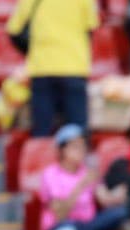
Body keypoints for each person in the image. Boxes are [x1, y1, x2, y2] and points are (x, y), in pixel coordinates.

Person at [5, 0, 97, 137]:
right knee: (78, 134)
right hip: (74, 67)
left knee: (42, 133)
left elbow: (13, 31)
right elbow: (90, 28)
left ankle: (41, 158)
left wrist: (32, 51)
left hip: (42, 68)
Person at [39, 124, 127, 230]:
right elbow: (60, 213)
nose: (81, 150)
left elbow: (105, 199)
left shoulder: (87, 172)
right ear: (62, 149)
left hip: (88, 224)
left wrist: (121, 194)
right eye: (75, 146)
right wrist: (81, 185)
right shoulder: (51, 174)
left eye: (83, 146)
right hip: (61, 227)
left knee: (121, 212)